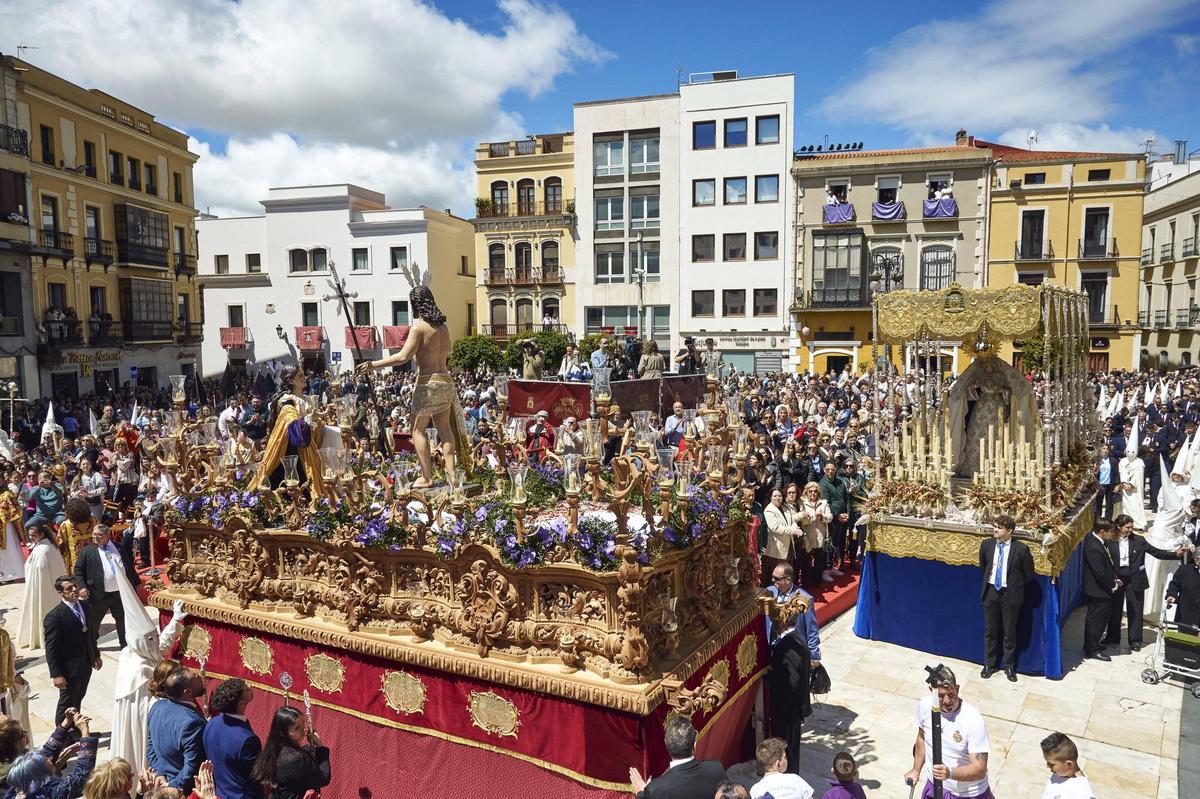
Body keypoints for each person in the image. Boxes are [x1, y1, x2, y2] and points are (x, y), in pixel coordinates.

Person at [361, 277, 469, 489]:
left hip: (427, 382)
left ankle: (427, 476)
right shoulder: (443, 328)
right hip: (446, 380)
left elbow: (403, 357)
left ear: (416, 304)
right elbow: (448, 350)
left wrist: (373, 365)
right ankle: (452, 475)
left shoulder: (419, 328)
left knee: (417, 430)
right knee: (445, 429)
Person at [111, 575, 186, 782]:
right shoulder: (138, 670)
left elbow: (157, 647)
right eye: (151, 638)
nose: (155, 640)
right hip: (143, 726)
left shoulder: (135, 650)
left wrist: (175, 620)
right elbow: (152, 709)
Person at [903, 666, 992, 799]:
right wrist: (916, 770)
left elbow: (979, 769)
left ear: (957, 688)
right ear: (931, 691)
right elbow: (922, 738)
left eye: (951, 695)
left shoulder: (973, 720)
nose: (947, 701)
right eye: (940, 696)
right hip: (934, 785)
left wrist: (949, 773)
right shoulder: (925, 706)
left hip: (965, 794)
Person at [765, 563, 817, 775]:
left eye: (777, 579)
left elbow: (790, 682)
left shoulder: (790, 647)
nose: (773, 582)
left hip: (787, 710)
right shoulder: (793, 639)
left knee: (787, 745)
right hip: (790, 709)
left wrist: (769, 677)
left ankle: (788, 773)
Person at [1103, 513, 1182, 652]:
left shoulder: (1139, 540)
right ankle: (1112, 637)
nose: (1130, 530)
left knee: (1135, 609)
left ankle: (1135, 640)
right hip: (1117, 578)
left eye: (1131, 527)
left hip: (1135, 579)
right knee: (1115, 609)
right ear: (1119, 527)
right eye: (1127, 527)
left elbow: (1156, 552)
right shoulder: (1110, 540)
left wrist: (1175, 554)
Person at [979, 514, 1034, 681]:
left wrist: (1014, 585)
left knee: (1009, 632)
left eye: (999, 527)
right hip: (991, 592)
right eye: (994, 526)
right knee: (990, 631)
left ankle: (1009, 666)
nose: (995, 529)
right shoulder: (987, 545)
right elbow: (984, 566)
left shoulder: (1021, 549)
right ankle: (989, 664)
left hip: (1010, 595)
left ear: (1009, 531)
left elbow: (1029, 574)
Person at [43, 575, 102, 726]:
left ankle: (75, 728)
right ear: (60, 592)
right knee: (67, 702)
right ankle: (61, 733)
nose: (75, 589)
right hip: (68, 669)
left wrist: (95, 655)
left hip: (85, 663)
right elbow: (51, 649)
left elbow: (90, 634)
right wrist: (56, 674)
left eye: (75, 586)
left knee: (78, 697)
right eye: (69, 588)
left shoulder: (85, 606)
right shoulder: (54, 617)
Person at [3, 709, 98, 799]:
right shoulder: (52, 793)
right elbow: (81, 777)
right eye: (46, 761)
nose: (50, 758)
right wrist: (84, 731)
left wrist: (66, 723)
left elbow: (47, 751)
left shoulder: (23, 783)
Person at [627, 715, 725, 799]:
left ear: (667, 748)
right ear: (694, 746)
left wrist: (641, 794)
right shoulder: (716, 768)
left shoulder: (656, 789)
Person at [250, 705, 331, 799]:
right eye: (297, 728)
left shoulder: (275, 749)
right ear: (282, 732)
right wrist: (320, 746)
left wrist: (310, 748)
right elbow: (323, 778)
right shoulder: (295, 759)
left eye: (303, 724)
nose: (303, 730)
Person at [146, 668, 207, 792]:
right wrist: (171, 786)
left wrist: (160, 773)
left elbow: (150, 746)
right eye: (196, 677)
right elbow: (192, 766)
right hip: (181, 790)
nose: (201, 677)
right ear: (188, 692)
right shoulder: (193, 723)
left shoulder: (157, 707)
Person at [203, 678, 263, 799]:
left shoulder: (212, 723)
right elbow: (254, 781)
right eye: (246, 689)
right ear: (241, 704)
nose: (250, 687)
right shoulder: (248, 740)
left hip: (217, 793)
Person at [73, 524, 130, 648]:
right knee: (94, 622)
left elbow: (128, 565)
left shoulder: (118, 547)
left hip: (119, 593)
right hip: (98, 594)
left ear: (107, 535)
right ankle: (91, 647)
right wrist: (82, 587)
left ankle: (125, 645)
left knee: (122, 620)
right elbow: (78, 570)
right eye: (94, 534)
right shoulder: (87, 551)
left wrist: (136, 582)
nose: (94, 537)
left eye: (98, 535)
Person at [16, 523, 67, 649]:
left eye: (33, 535)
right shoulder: (50, 545)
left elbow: (39, 570)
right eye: (29, 535)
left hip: (43, 588)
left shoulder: (42, 550)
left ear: (42, 534)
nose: (30, 538)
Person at [1082, 518, 1119, 661]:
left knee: (1100, 620)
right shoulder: (1093, 547)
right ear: (1102, 531)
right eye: (1110, 532)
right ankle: (1091, 649)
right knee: (1096, 621)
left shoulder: (1098, 541)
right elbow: (1099, 572)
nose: (1112, 534)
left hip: (1101, 588)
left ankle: (1093, 643)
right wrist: (1112, 584)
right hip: (1098, 590)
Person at [748, 737, 813, 799]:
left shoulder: (755, 790)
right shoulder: (796, 779)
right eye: (785, 757)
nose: (787, 759)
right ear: (778, 764)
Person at [763, 489, 802, 587]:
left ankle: (785, 590)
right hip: (776, 548)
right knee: (774, 574)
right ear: (770, 497)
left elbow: (792, 522)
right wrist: (792, 530)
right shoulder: (769, 510)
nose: (777, 498)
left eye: (779, 496)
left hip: (788, 545)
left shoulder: (785, 508)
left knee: (786, 572)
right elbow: (775, 528)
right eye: (775, 496)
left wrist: (795, 528)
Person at [1039, 732, 1093, 798]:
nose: (1047, 766)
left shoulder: (1082, 792)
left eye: (1051, 764)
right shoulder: (1060, 773)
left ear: (1069, 764)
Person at [1166, 553, 1200, 627]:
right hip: (1186, 614)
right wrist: (1171, 595)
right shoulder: (1185, 570)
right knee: (1185, 633)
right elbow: (1174, 584)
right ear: (1196, 560)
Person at [1094, 443, 1119, 520]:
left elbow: (1117, 473)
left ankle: (1108, 521)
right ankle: (1098, 521)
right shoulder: (1096, 460)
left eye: (1107, 449)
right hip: (1099, 485)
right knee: (1098, 504)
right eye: (1103, 448)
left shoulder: (1113, 460)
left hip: (1110, 485)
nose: (1105, 450)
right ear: (1100, 450)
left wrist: (1117, 485)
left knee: (1109, 505)